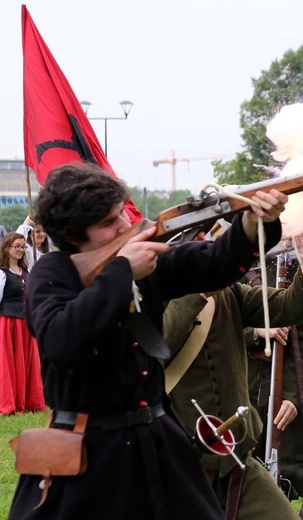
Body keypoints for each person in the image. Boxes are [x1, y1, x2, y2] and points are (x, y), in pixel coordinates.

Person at [9, 161, 287, 519]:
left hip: (156, 439)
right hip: (88, 450)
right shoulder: (54, 272)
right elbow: (62, 342)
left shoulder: (144, 261)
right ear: (75, 236)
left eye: (120, 214)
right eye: (108, 224)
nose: (125, 225)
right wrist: (122, 272)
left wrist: (251, 224)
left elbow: (215, 262)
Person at [164, 242, 303, 520]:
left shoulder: (231, 293)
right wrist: (199, 294)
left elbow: (291, 308)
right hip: (177, 459)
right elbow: (161, 344)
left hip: (235, 455)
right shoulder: (157, 296)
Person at [246, 258, 303, 520]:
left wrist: (293, 396)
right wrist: (256, 332)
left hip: (294, 388)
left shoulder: (298, 270)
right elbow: (214, 323)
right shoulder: (231, 266)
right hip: (245, 391)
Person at [0, 232, 45, 415]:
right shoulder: (2, 274)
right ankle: (10, 402)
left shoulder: (25, 272)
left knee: (27, 362)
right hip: (8, 322)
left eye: (22, 247)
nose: (20, 250)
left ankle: (29, 401)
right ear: (6, 248)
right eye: (16, 246)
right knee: (9, 363)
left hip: (26, 323)